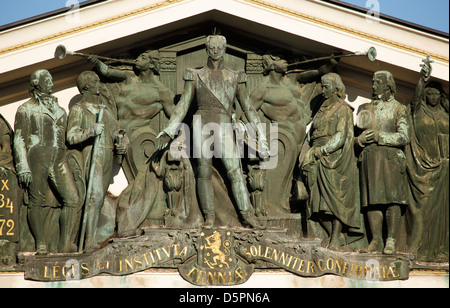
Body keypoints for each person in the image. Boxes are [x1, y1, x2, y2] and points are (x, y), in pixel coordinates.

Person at [157, 34, 269, 229]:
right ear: (206, 50)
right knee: (204, 172)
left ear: (224, 49)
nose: (216, 52)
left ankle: (247, 215)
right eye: (212, 48)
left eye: (219, 48)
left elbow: (249, 108)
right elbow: (183, 105)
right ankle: (209, 217)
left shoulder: (236, 77)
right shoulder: (195, 75)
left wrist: (261, 134)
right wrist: (169, 129)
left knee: (234, 170)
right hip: (201, 123)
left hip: (224, 124)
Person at [249, 53, 336, 213]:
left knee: (292, 176)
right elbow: (247, 113)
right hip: (283, 137)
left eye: (284, 59)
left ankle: (283, 204)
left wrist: (330, 65)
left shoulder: (292, 80)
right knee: (279, 175)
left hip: (301, 136)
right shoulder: (263, 89)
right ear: (270, 64)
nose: (284, 61)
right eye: (280, 59)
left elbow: (318, 72)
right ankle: (271, 206)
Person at [13, 69, 81, 254]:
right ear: (37, 83)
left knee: (72, 198)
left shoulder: (60, 110)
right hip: (37, 156)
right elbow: (19, 139)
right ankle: (40, 243)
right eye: (47, 80)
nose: (51, 83)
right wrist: (22, 168)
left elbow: (68, 137)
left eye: (51, 80)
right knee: (36, 200)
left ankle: (64, 243)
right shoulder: (25, 109)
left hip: (58, 158)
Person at [88, 50, 175, 180]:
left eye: (143, 57)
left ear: (151, 65)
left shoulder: (161, 91)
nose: (138, 59)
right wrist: (96, 62)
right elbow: (107, 72)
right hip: (113, 132)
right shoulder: (128, 77)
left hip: (135, 136)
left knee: (140, 181)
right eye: (138, 56)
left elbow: (176, 118)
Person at [302, 73, 364, 250]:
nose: (322, 91)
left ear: (337, 88)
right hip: (316, 155)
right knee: (315, 200)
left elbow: (341, 135)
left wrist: (322, 151)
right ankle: (330, 235)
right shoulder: (321, 109)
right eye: (321, 86)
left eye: (326, 87)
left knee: (334, 201)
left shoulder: (342, 109)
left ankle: (336, 236)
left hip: (333, 159)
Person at [67, 71, 128, 251]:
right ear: (86, 86)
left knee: (99, 199)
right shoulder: (79, 109)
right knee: (94, 197)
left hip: (108, 154)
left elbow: (117, 132)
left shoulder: (105, 111)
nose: (98, 83)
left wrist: (121, 142)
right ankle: (88, 240)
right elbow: (71, 136)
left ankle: (91, 235)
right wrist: (90, 131)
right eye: (95, 81)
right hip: (93, 154)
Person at [356, 70, 410, 255]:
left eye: (377, 82)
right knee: (372, 201)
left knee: (391, 200)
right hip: (370, 160)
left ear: (387, 85)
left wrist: (380, 136)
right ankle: (376, 240)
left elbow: (404, 137)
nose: (373, 85)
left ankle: (391, 240)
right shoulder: (366, 109)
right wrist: (361, 140)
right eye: (373, 82)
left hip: (390, 161)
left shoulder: (398, 108)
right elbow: (355, 139)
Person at [406, 58, 449, 261]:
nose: (432, 96)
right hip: (422, 168)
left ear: (442, 96)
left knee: (443, 212)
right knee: (422, 209)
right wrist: (422, 80)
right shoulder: (418, 110)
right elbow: (414, 101)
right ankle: (418, 248)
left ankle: (440, 250)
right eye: (429, 93)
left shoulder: (446, 116)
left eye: (436, 93)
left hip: (445, 169)